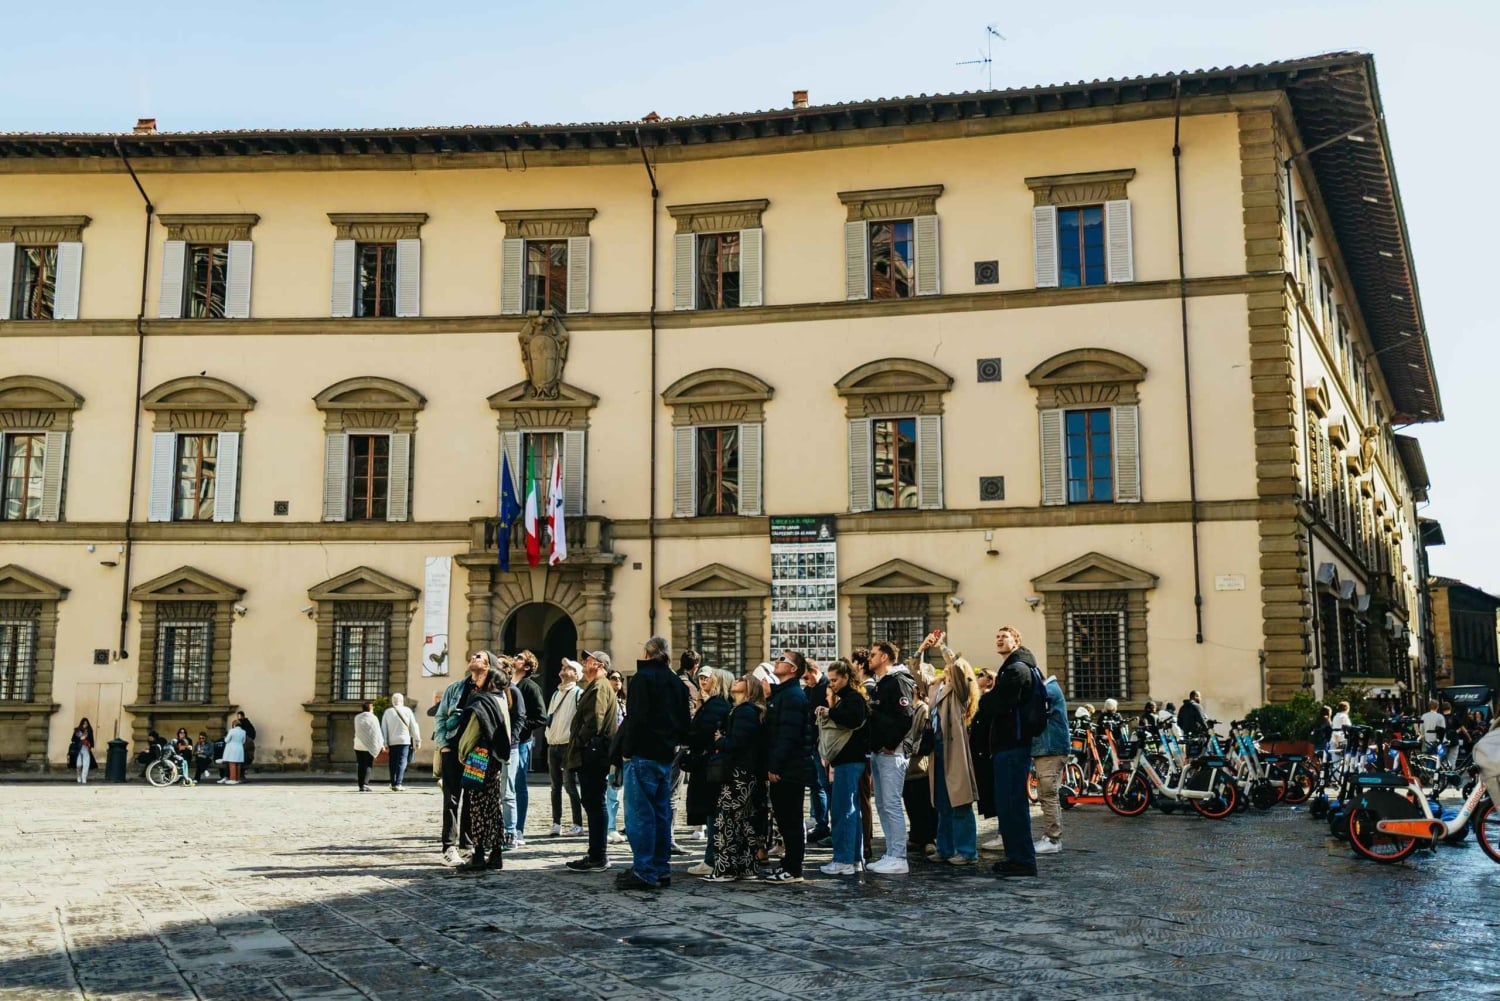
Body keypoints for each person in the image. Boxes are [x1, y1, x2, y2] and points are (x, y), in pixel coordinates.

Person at [616, 636, 690, 891]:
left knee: (640, 816)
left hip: (642, 754)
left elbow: (636, 718)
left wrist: (627, 750)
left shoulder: (643, 679)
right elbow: (684, 721)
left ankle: (645, 870)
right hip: (665, 756)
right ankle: (661, 867)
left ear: (647, 655)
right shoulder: (676, 683)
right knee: (661, 814)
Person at [433, 651, 502, 865]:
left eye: (479, 656)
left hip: (477, 753)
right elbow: (441, 716)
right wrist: (443, 745)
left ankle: (466, 845)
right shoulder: (456, 688)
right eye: (472, 656)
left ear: (489, 665)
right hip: (453, 749)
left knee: (473, 799)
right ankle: (449, 847)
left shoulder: (492, 690)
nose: (473, 657)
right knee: (451, 798)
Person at [982, 625, 1038, 878]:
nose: (999, 640)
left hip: (1012, 744)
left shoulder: (1017, 670)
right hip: (1010, 744)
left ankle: (1022, 859)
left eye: (1004, 636)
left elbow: (996, 704)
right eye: (997, 637)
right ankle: (1016, 856)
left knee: (1012, 804)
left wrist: (987, 697)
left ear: (1016, 641)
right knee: (1009, 804)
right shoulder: (1014, 669)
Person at [921, 633, 980, 865]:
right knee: (943, 803)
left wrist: (942, 647)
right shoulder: (938, 690)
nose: (944, 671)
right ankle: (945, 848)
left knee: (960, 802)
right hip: (937, 749)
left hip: (953, 750)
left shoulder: (960, 691)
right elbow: (919, 675)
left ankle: (967, 852)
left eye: (948, 669)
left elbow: (955, 668)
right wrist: (922, 649)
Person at [704, 673, 767, 882]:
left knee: (727, 819)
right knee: (744, 820)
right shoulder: (747, 711)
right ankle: (746, 867)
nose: (737, 680)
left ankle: (725, 868)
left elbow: (737, 743)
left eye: (742, 679)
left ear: (748, 688)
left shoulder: (743, 711)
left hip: (737, 774)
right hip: (746, 773)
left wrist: (720, 740)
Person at [760, 650, 814, 883]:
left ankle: (793, 868)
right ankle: (788, 864)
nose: (777, 661)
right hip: (787, 767)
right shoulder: (784, 694)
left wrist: (775, 766)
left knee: (790, 820)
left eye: (783, 660)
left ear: (793, 669)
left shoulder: (792, 696)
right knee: (784, 819)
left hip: (789, 769)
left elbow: (787, 735)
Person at [565, 650, 620, 872]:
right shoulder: (597, 686)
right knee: (593, 802)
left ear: (597, 665)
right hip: (594, 752)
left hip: (593, 753)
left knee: (594, 802)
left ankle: (598, 856)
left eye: (587, 661)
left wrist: (579, 743)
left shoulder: (599, 687)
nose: (583, 663)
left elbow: (594, 723)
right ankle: (597, 854)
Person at [454, 656, 511, 873]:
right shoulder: (500, 699)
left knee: (476, 806)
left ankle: (478, 855)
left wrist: (462, 753)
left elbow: (471, 733)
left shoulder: (482, 700)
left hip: (479, 757)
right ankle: (495, 854)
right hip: (495, 759)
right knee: (493, 807)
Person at [866, 640, 916, 875]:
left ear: (885, 657)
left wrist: (890, 743)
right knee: (883, 804)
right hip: (879, 751)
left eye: (874, 654)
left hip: (891, 753)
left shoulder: (898, 681)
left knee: (892, 804)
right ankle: (891, 852)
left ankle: (899, 856)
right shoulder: (880, 684)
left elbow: (906, 716)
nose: (870, 657)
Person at [816, 659, 869, 875]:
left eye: (835, 680)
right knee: (850, 811)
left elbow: (853, 720)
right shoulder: (849, 698)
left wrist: (831, 713)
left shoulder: (853, 698)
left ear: (846, 678)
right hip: (849, 760)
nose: (833, 684)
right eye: (831, 680)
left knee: (843, 811)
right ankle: (854, 858)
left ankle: (844, 860)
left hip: (849, 760)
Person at [685, 669, 733, 877]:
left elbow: (701, 733)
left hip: (708, 765)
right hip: (710, 763)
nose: (705, 680)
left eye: (710, 677)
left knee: (713, 811)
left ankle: (711, 859)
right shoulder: (719, 704)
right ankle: (712, 857)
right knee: (713, 811)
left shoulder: (715, 705)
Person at [1030, 667, 1068, 857]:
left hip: (1050, 750)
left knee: (1048, 794)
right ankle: (1050, 837)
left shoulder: (1048, 691)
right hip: (1047, 749)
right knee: (1047, 794)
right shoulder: (1049, 689)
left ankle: (1053, 839)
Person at [544, 661, 585, 836]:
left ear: (576, 674)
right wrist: (548, 735)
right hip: (553, 744)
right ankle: (556, 823)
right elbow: (550, 716)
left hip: (568, 745)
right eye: (562, 667)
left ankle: (577, 823)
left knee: (569, 785)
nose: (563, 669)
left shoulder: (578, 694)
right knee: (555, 787)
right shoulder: (555, 694)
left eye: (568, 668)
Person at [511, 651, 547, 845]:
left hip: (521, 742)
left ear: (526, 667)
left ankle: (518, 829)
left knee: (518, 785)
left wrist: (520, 727)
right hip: (503, 741)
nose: (514, 659)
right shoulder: (505, 683)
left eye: (519, 658)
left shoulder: (530, 687)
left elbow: (542, 717)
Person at [802, 658, 832, 845]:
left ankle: (823, 825)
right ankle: (820, 823)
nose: (805, 682)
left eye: (806, 677)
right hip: (812, 744)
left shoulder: (826, 686)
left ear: (813, 672)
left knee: (822, 785)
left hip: (824, 745)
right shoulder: (808, 690)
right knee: (815, 785)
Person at [381, 693, 422, 791]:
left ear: (392, 701)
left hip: (392, 741)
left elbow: (384, 729)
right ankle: (398, 783)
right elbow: (413, 726)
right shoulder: (407, 711)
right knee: (402, 761)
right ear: (402, 701)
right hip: (404, 740)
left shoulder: (388, 712)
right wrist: (417, 740)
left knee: (392, 762)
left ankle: (393, 783)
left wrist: (385, 743)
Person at [604, 669, 627, 842]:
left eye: (620, 679)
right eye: (614, 678)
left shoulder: (623, 702)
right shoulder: (605, 700)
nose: (618, 681)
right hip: (609, 750)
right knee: (612, 790)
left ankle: (618, 825)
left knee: (619, 790)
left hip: (622, 751)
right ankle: (609, 827)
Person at [352, 701, 384, 792]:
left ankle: (360, 785)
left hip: (358, 744)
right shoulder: (373, 718)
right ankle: (365, 784)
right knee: (368, 765)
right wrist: (381, 744)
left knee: (361, 765)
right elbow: (377, 732)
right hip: (368, 746)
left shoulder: (357, 717)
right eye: (372, 708)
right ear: (370, 708)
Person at [68, 718, 96, 784]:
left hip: (86, 749)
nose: (85, 725)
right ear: (81, 724)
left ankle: (84, 778)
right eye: (84, 723)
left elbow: (92, 741)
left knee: (86, 764)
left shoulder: (89, 731)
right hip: (78, 749)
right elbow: (73, 739)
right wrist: (80, 738)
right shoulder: (77, 731)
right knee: (79, 764)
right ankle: (78, 776)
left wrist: (88, 742)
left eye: (86, 724)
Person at [220, 719, 247, 785]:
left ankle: (233, 779)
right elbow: (243, 741)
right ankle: (237, 779)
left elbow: (226, 740)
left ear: (234, 725)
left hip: (232, 749)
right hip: (240, 748)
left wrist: (225, 738)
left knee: (232, 763)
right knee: (238, 764)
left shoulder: (232, 731)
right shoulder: (243, 731)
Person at [235, 712, 257, 781]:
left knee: (240, 760)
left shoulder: (245, 725)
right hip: (244, 752)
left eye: (239, 716)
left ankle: (240, 776)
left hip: (246, 756)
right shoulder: (245, 724)